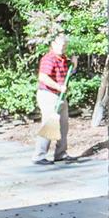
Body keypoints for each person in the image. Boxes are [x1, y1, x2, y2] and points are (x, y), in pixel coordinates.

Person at [35, 34, 77, 163]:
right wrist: (58, 87)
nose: (62, 48)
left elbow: (69, 73)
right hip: (48, 94)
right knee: (49, 124)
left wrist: (74, 65)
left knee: (63, 125)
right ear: (53, 44)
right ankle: (39, 156)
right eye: (60, 45)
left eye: (64, 46)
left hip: (60, 95)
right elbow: (43, 77)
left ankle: (60, 154)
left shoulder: (63, 58)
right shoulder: (49, 59)